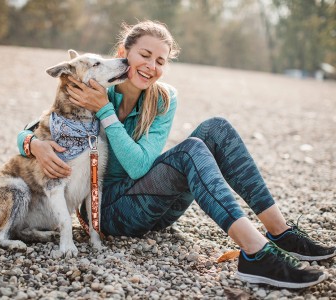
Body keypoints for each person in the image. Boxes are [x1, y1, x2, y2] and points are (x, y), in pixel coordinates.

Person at [17, 20, 335, 289]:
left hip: (155, 209)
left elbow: (140, 165)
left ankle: (281, 233)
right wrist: (35, 145)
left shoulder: (164, 99)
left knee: (216, 128)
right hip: (107, 214)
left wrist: (106, 114)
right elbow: (31, 129)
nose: (151, 66)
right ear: (123, 54)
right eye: (144, 55)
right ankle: (255, 254)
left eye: (160, 61)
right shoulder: (96, 87)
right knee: (191, 150)